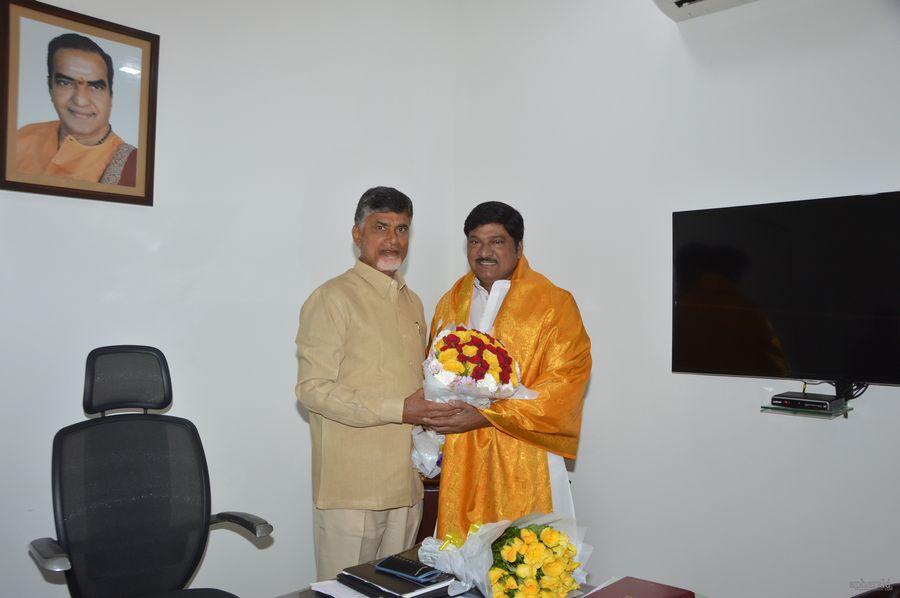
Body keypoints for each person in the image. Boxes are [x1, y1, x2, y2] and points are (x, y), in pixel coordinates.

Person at [295, 186, 461, 580]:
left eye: (402, 229)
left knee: (400, 590)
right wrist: (400, 408)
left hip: (406, 487)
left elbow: (421, 384)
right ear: (358, 235)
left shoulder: (413, 302)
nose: (393, 240)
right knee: (347, 592)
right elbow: (312, 390)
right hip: (352, 491)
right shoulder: (332, 298)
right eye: (381, 227)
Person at [425, 201, 592, 538]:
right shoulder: (450, 302)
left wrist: (486, 415)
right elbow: (431, 371)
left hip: (525, 456)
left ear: (518, 247)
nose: (484, 251)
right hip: (463, 456)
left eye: (497, 241)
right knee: (461, 565)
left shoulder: (553, 304)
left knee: (526, 567)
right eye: (475, 241)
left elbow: (565, 382)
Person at [15, 33, 136, 186]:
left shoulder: (131, 167)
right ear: (50, 87)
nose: (80, 100)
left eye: (95, 86)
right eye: (65, 83)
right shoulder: (23, 138)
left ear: (110, 97)